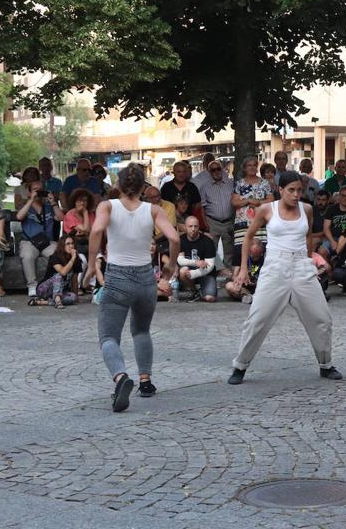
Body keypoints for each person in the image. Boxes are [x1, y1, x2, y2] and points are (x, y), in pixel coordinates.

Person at [228, 171, 342, 385]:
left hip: (301, 267)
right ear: (280, 190)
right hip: (275, 267)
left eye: (299, 190)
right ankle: (240, 366)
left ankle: (326, 365)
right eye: (291, 190)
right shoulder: (266, 209)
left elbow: (307, 235)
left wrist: (309, 260)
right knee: (258, 319)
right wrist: (243, 268)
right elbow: (248, 237)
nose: (296, 194)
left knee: (322, 318)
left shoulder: (306, 209)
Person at [85, 163, 179, 412]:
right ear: (143, 187)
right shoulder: (153, 210)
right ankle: (145, 381)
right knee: (141, 331)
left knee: (108, 336)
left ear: (117, 184)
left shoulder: (108, 206)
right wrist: (170, 269)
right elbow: (175, 238)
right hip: (146, 277)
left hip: (117, 277)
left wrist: (91, 265)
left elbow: (96, 231)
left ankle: (120, 377)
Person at [17, 179, 64, 297]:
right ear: (29, 192)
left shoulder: (48, 206)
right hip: (29, 241)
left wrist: (53, 202)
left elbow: (61, 218)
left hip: (46, 241)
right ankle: (32, 285)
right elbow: (19, 217)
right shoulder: (25, 205)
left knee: (57, 252)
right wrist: (31, 200)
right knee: (27, 255)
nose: (38, 193)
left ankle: (55, 283)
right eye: (35, 190)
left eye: (40, 190)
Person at [232, 156, 273, 259]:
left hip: (260, 223)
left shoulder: (264, 183)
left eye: (254, 165)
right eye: (249, 165)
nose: (252, 167)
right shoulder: (239, 184)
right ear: (244, 168)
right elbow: (234, 202)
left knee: (260, 250)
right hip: (243, 223)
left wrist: (259, 202)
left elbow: (271, 200)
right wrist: (248, 200)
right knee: (241, 252)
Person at [31, 234, 81, 308]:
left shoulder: (76, 260)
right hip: (44, 289)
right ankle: (57, 301)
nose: (71, 246)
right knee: (59, 276)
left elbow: (74, 280)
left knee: (73, 297)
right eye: (68, 244)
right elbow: (63, 272)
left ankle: (44, 302)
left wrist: (76, 296)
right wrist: (72, 259)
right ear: (62, 246)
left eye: (72, 243)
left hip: (61, 291)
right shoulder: (55, 257)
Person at [177, 216, 218, 302]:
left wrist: (193, 273)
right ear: (185, 227)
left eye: (196, 226)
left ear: (199, 227)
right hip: (190, 270)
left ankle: (201, 292)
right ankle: (194, 291)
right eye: (190, 226)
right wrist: (196, 262)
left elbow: (210, 266)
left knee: (210, 298)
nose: (193, 229)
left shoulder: (208, 241)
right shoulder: (181, 240)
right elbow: (180, 260)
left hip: (206, 272)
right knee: (182, 271)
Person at [225, 239, 265, 303]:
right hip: (246, 287)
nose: (254, 257)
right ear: (248, 251)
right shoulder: (239, 253)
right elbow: (234, 276)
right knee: (229, 286)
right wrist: (242, 280)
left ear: (262, 252)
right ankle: (250, 297)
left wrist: (259, 282)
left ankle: (253, 298)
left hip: (261, 286)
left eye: (257, 255)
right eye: (252, 254)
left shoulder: (266, 256)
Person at [62, 188, 95, 257]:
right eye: (79, 200)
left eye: (85, 201)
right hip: (74, 246)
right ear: (75, 202)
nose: (82, 203)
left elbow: (92, 231)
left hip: (90, 244)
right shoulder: (70, 214)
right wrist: (85, 213)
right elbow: (85, 229)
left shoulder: (91, 214)